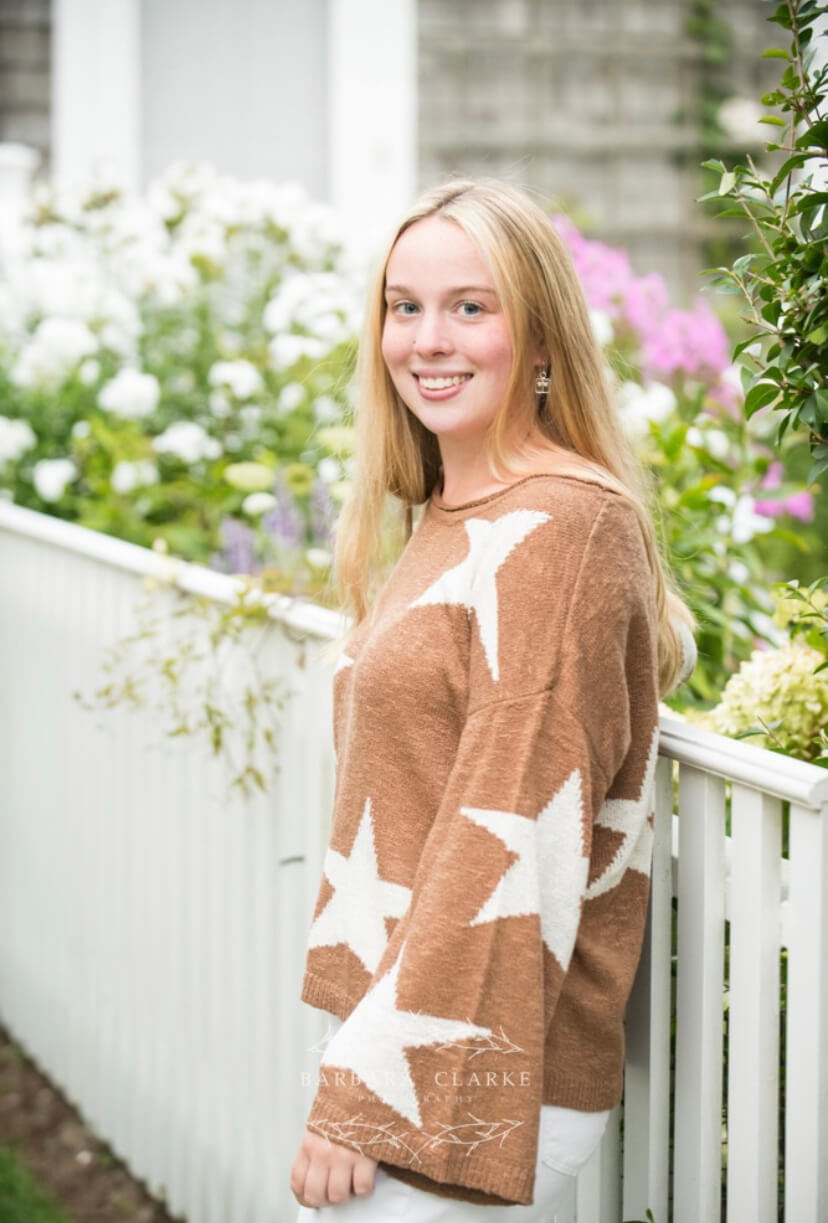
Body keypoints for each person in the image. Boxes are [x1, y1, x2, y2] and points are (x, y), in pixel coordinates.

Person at [290, 179, 695, 1220]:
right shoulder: (453, 511)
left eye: (471, 306)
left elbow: (506, 825)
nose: (428, 338)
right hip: (404, 1032)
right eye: (405, 305)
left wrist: (366, 1093)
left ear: (543, 338)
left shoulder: (564, 526)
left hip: (473, 1068)